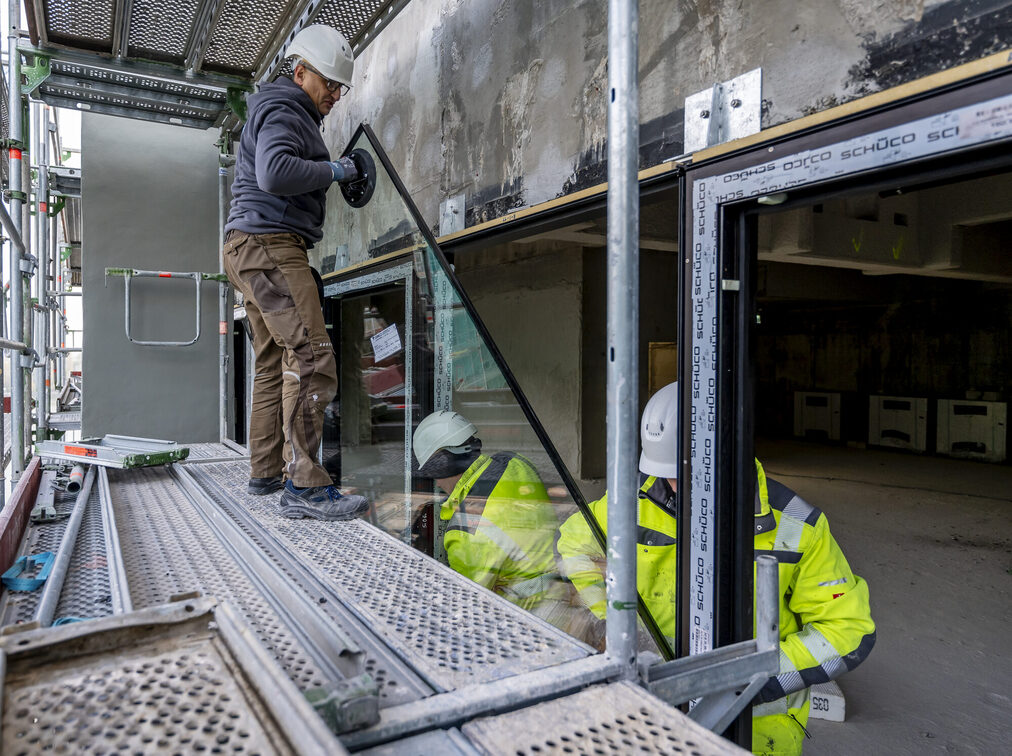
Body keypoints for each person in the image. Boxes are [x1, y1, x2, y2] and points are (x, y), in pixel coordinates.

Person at [557, 382, 876, 756]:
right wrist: (611, 622)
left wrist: (747, 677)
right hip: (647, 712)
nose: (674, 487)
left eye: (687, 474)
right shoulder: (632, 501)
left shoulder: (797, 527)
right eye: (667, 475)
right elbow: (575, 546)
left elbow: (848, 631)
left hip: (754, 732)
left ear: (729, 454)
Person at [222, 24, 367, 520]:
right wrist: (338, 170)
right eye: (329, 82)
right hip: (270, 244)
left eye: (340, 87)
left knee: (271, 362)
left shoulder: (276, 107)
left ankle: (265, 471)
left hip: (246, 246)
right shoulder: (286, 107)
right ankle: (304, 484)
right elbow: (276, 172)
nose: (335, 95)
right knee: (311, 358)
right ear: (300, 72)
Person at [412, 411, 569, 625]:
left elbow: (467, 607)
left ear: (444, 464)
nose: (437, 483)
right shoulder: (515, 462)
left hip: (531, 618)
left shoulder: (465, 533)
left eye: (433, 472)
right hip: (560, 588)